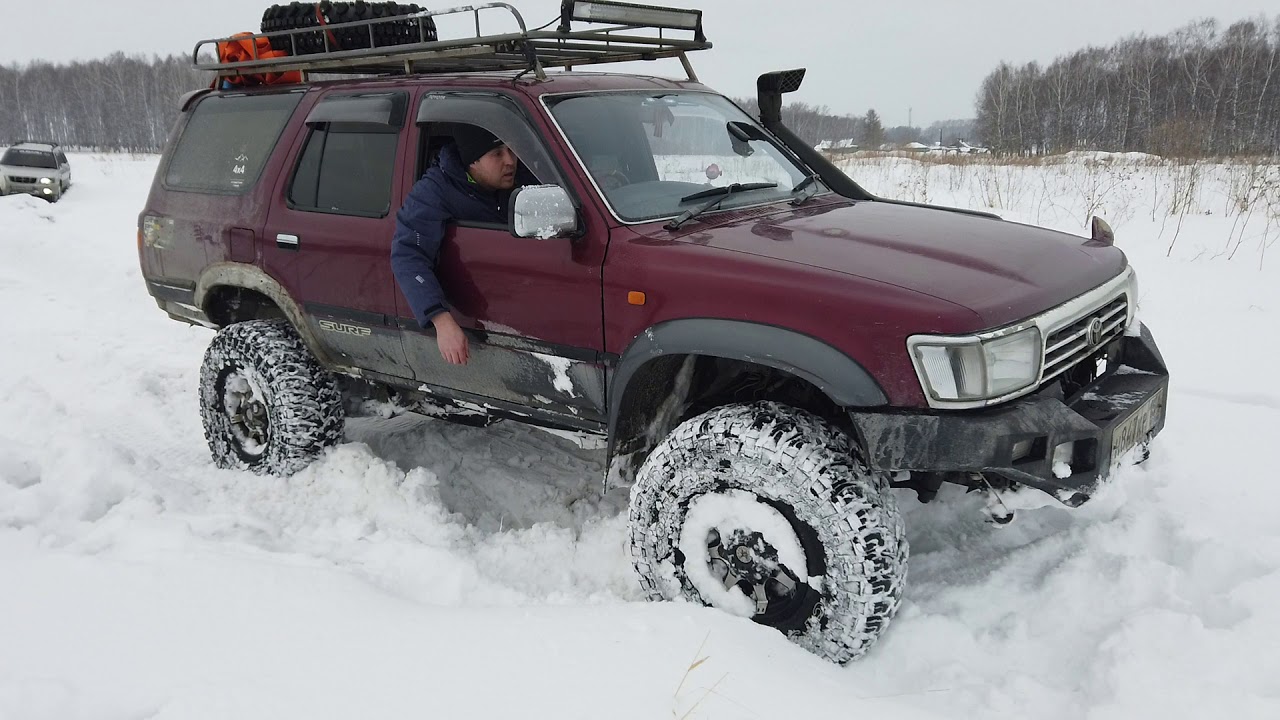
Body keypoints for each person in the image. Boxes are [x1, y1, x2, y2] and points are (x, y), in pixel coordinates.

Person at [391, 124, 520, 366]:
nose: (510, 161)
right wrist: (441, 321)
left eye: (511, 150)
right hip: (478, 322)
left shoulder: (514, 180)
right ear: (472, 162)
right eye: (497, 154)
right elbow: (408, 254)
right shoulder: (436, 191)